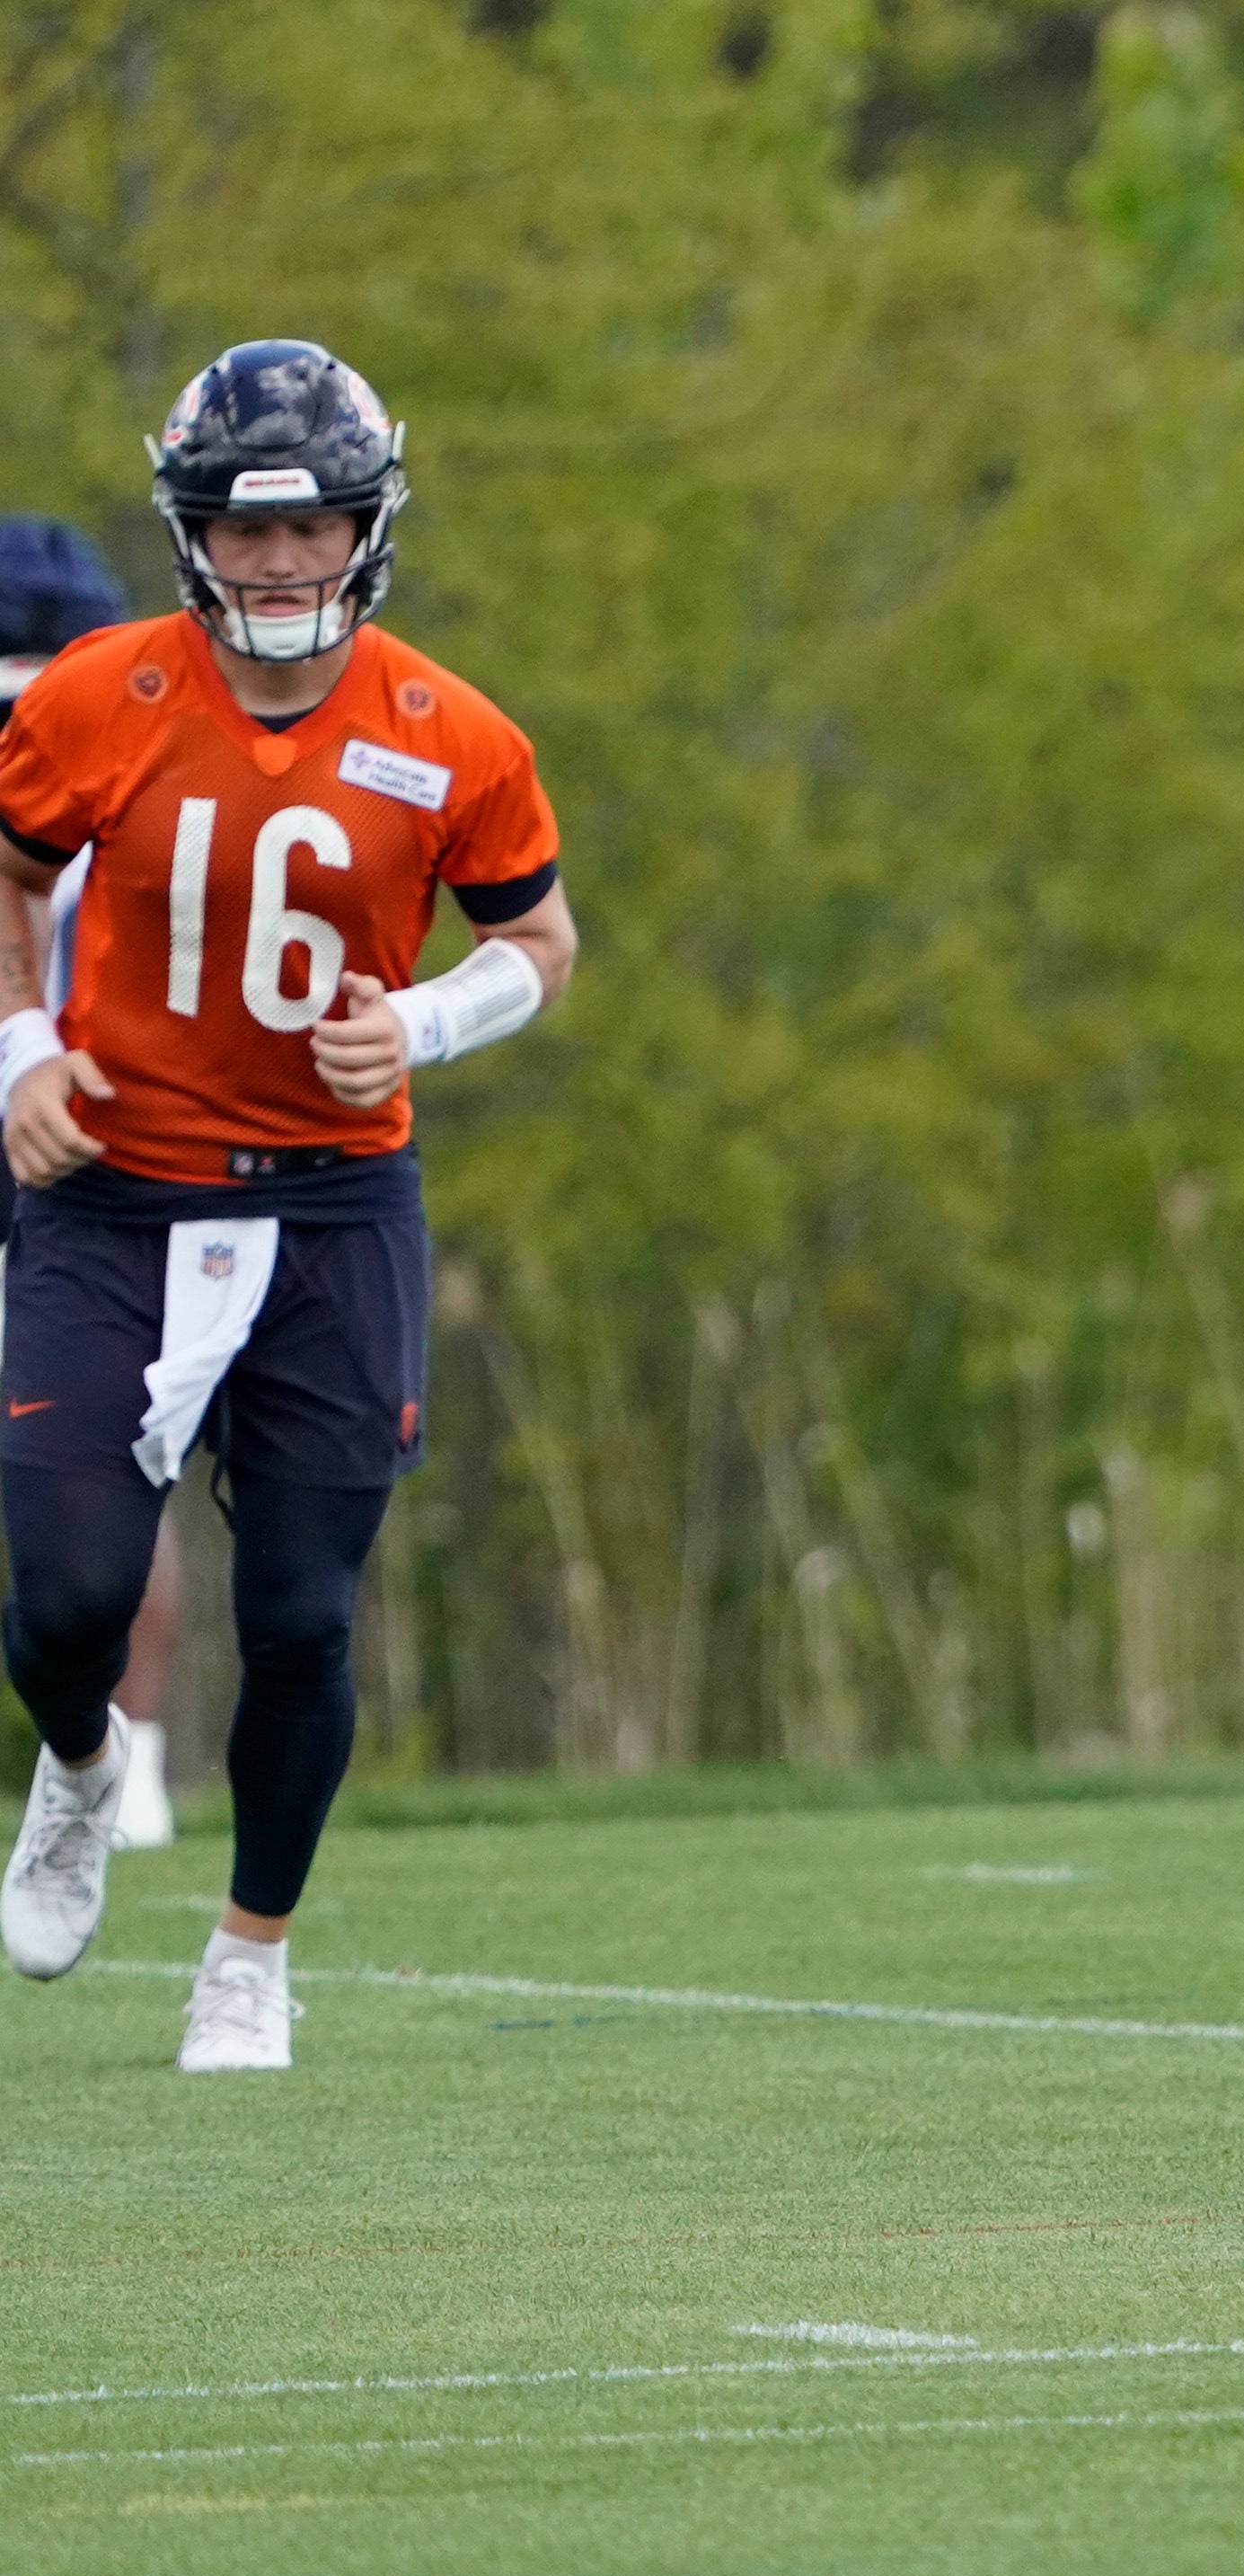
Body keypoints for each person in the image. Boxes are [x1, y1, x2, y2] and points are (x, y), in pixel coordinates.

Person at [0, 341, 578, 2070]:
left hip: (334, 1204)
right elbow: (9, 873)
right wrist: (21, 1044)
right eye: (241, 533)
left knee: (307, 1606)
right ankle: (86, 1767)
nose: (275, 565)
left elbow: (536, 941)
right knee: (63, 1585)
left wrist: (422, 1019)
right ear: (188, 535)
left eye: (309, 524)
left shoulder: (446, 728)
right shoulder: (98, 695)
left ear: (365, 522)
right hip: (116, 1183)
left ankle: (252, 1949)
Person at [0, 516, 184, 1853]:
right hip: (100, 1124)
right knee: (120, 1457)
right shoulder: (133, 739)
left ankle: (138, 1763)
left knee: (108, 1457)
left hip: (73, 1129)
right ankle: (144, 1766)